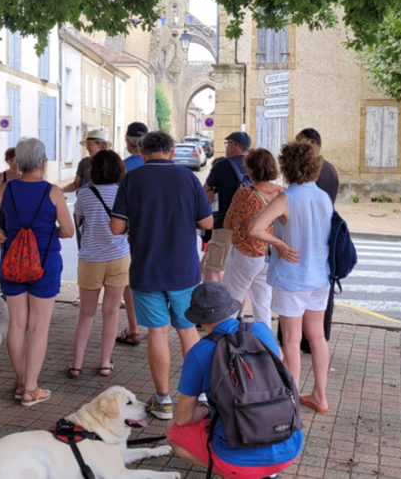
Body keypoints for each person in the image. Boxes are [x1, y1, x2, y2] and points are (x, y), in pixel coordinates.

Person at [0, 138, 74, 407]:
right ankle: (32, 389)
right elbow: (69, 231)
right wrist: (50, 233)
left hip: (12, 261)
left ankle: (21, 382)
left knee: (17, 324)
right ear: (43, 163)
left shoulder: (7, 189)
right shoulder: (54, 192)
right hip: (45, 264)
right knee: (39, 327)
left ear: (18, 163)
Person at [111, 131, 213, 420]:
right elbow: (206, 222)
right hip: (184, 270)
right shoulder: (188, 178)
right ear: (171, 152)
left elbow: (117, 228)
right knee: (188, 329)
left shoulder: (132, 179)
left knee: (157, 332)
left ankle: (164, 401)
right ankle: (200, 394)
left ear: (143, 153)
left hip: (147, 269)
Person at [167, 283, 302, 479]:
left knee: (172, 430)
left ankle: (238, 473)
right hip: (289, 449)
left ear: (200, 319)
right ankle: (269, 474)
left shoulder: (199, 352)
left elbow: (183, 418)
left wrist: (206, 410)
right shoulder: (260, 330)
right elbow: (279, 357)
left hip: (236, 462)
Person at [249, 141, 334, 414]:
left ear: (287, 166)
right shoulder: (323, 196)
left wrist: (279, 244)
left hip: (292, 279)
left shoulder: (286, 198)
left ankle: (292, 400)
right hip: (320, 277)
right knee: (318, 338)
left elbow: (255, 228)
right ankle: (320, 396)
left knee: (292, 341)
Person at [69, 151, 130, 378]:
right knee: (111, 312)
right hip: (118, 256)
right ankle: (105, 363)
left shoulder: (84, 193)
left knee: (86, 313)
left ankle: (76, 364)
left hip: (90, 259)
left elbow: (78, 221)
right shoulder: (123, 193)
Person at [291, 128, 340, 354]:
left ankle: (298, 340)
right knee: (321, 293)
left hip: (303, 238)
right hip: (325, 237)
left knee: (298, 295)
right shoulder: (331, 169)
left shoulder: (309, 171)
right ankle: (317, 339)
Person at [222, 148, 282, 329]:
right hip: (270, 256)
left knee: (231, 301)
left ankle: (226, 343)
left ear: (251, 169)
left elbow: (228, 223)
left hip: (246, 254)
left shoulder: (245, 194)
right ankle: (265, 345)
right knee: (263, 304)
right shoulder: (283, 193)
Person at [202, 132, 252, 282]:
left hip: (225, 223)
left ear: (234, 145)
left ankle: (212, 304)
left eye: (228, 143)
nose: (226, 147)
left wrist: (210, 192)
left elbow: (203, 190)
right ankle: (237, 307)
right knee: (241, 277)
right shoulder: (254, 164)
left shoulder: (222, 165)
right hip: (250, 225)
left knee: (212, 267)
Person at [116, 122, 148, 347]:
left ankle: (134, 328)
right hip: (159, 232)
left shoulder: (122, 168)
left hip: (131, 232)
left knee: (129, 280)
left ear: (128, 143)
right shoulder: (161, 167)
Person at [0, 147, 21, 281]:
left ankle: (12, 274)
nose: (15, 163)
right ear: (7, 161)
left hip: (20, 215)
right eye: (12, 160)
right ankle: (2, 275)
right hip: (4, 215)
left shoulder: (24, 176)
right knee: (2, 245)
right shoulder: (1, 176)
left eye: (17, 160)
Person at [63, 128, 112, 193]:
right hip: (83, 201)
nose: (87, 147)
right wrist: (61, 190)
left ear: (99, 145)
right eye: (87, 144)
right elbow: (76, 184)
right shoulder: (84, 162)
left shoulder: (110, 163)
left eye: (90, 144)